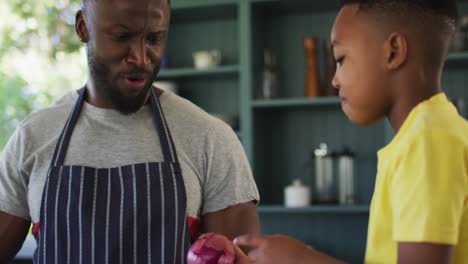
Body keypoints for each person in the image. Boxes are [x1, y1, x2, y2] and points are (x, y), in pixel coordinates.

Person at [0, 0, 260, 263]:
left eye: (154, 38)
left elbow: (235, 256)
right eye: (122, 36)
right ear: (83, 27)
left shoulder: (211, 139)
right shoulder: (32, 138)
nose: (141, 57)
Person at [234, 0, 468, 263]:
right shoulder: (434, 132)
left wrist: (302, 259)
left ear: (393, 51)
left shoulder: (427, 142)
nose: (334, 79)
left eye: (341, 59)